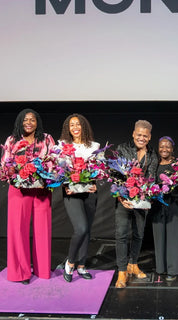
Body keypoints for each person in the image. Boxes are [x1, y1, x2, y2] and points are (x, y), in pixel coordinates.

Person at [1, 108, 55, 284]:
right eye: (25, 120)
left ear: (37, 122)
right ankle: (20, 272)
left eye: (32, 119)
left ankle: (43, 270)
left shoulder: (46, 139)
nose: (29, 122)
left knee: (43, 230)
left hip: (41, 189)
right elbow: (4, 164)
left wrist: (45, 172)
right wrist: (15, 173)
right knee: (18, 230)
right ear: (19, 122)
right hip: (19, 190)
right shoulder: (12, 140)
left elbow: (54, 161)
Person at [114, 120, 158, 288]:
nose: (141, 138)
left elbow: (152, 177)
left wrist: (145, 194)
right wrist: (121, 197)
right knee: (122, 235)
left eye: (145, 136)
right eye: (138, 135)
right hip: (124, 200)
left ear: (149, 137)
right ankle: (122, 271)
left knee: (139, 234)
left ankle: (133, 264)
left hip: (141, 201)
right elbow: (116, 174)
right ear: (133, 134)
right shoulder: (122, 149)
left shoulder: (152, 154)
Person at [59, 114, 100, 283]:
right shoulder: (62, 145)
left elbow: (99, 169)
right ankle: (70, 262)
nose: (75, 127)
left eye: (78, 124)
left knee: (87, 230)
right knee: (81, 228)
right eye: (71, 125)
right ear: (68, 129)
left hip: (89, 190)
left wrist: (97, 182)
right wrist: (66, 185)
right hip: (71, 192)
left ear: (84, 126)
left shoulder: (95, 146)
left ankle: (82, 266)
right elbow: (58, 170)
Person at [151, 136, 178, 281]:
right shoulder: (154, 164)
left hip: (175, 204)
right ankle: (161, 268)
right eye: (161, 146)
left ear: (172, 149)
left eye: (167, 147)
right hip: (158, 205)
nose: (164, 149)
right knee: (159, 236)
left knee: (174, 236)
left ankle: (174, 269)